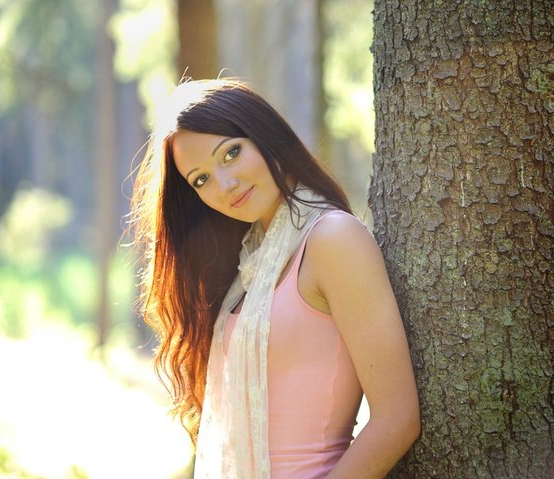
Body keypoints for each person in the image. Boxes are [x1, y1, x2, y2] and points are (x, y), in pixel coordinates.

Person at [130, 78, 420, 479]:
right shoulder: (247, 265)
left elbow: (396, 419)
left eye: (231, 153)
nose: (225, 185)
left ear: (263, 134)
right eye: (201, 179)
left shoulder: (332, 240)